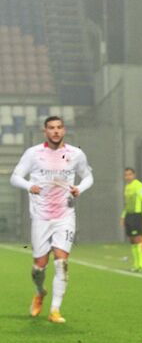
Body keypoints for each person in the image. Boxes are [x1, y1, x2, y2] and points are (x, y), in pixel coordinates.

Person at [10, 116, 93, 323]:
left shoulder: (75, 154)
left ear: (64, 130)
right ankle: (40, 292)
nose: (55, 131)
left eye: (59, 127)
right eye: (51, 128)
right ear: (45, 131)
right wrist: (30, 186)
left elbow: (88, 176)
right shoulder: (33, 154)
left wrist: (79, 188)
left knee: (61, 261)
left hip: (65, 215)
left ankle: (55, 309)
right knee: (39, 265)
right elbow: (15, 177)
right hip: (40, 216)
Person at [121, 168, 142, 272]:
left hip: (137, 215)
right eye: (126, 175)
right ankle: (136, 265)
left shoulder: (139, 185)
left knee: (138, 239)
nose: (128, 176)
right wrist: (123, 216)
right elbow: (127, 203)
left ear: (134, 175)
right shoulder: (127, 187)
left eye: (130, 174)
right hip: (129, 215)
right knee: (132, 240)